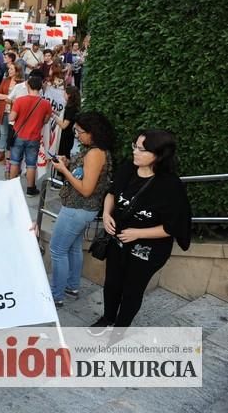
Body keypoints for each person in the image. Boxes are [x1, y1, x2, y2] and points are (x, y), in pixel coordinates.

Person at [90, 130, 192, 335]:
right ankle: (108, 318)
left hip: (147, 252)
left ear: (159, 154)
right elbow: (112, 193)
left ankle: (119, 329)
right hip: (118, 243)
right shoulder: (128, 169)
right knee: (111, 284)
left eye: (141, 149)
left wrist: (138, 233)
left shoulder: (170, 186)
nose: (135, 152)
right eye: (134, 146)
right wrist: (107, 214)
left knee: (131, 291)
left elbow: (173, 227)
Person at [49, 112, 114, 308]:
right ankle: (72, 287)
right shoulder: (95, 150)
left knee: (57, 250)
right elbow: (84, 175)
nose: (76, 134)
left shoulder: (95, 153)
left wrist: (64, 171)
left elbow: (86, 189)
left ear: (92, 133)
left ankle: (56, 295)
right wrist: (69, 164)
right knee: (73, 247)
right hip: (83, 210)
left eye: (79, 131)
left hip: (77, 209)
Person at [9, 75, 52, 196]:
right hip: (34, 137)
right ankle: (30, 189)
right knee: (31, 164)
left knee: (15, 161)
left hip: (19, 135)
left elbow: (12, 118)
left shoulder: (20, 101)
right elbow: (46, 120)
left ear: (28, 85)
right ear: (40, 87)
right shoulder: (46, 103)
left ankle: (11, 187)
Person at [0, 61, 23, 162]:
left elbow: (20, 99)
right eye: (9, 69)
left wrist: (8, 98)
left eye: (11, 69)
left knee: (12, 134)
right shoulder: (5, 80)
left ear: (17, 71)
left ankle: (8, 155)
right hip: (3, 110)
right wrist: (9, 97)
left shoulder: (21, 84)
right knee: (3, 133)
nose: (9, 71)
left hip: (14, 112)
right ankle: (1, 152)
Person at [56, 85, 81, 160]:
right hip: (69, 136)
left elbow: (64, 125)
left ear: (69, 95)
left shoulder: (70, 108)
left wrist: (54, 117)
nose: (63, 95)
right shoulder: (74, 107)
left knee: (63, 156)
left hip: (65, 137)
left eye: (65, 93)